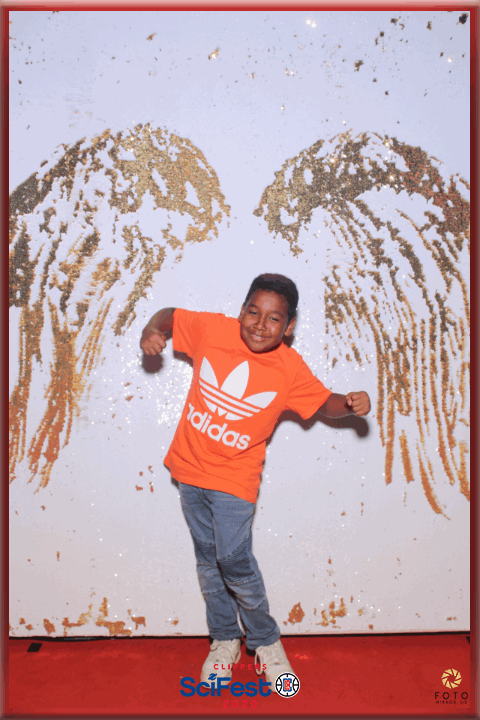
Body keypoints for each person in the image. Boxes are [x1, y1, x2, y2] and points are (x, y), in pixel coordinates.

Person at [140, 273, 371, 687]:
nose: (260, 325)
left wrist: (351, 404)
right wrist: (151, 330)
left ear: (289, 326)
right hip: (190, 472)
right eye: (253, 312)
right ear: (241, 310)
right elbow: (170, 314)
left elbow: (324, 403)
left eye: (274, 318)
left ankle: (265, 640)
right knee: (208, 562)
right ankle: (224, 639)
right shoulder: (213, 330)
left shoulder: (288, 368)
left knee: (234, 563)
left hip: (235, 481)